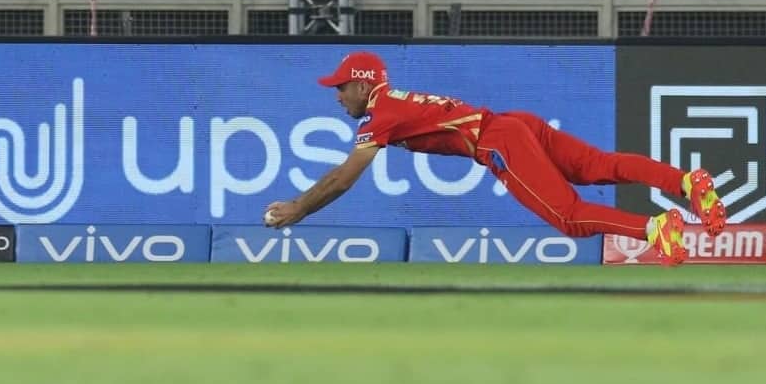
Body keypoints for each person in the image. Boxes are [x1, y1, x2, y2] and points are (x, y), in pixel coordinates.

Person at [264, 51, 726, 265]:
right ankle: (687, 182)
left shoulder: (379, 112)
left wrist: (298, 209)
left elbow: (345, 178)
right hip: (512, 124)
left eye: (341, 86)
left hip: (499, 140)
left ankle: (655, 228)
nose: (337, 95)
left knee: (568, 217)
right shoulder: (390, 103)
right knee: (597, 167)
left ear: (363, 84)